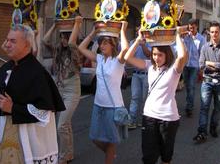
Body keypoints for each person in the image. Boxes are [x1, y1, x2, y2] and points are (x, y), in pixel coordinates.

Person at [0, 24, 65, 164]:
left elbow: (45, 113)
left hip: (26, 144)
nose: (7, 44)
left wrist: (13, 108)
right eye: (7, 40)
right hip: (0, 141)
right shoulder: (5, 67)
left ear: (27, 45)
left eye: (13, 41)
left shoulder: (37, 73)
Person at [124, 26, 188, 164]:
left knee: (166, 157)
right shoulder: (149, 66)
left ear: (167, 55)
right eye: (154, 54)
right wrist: (138, 40)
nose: (156, 58)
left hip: (168, 119)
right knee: (148, 157)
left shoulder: (174, 70)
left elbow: (182, 56)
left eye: (160, 55)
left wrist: (177, 35)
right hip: (149, 117)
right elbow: (127, 57)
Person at [77, 21, 129, 164]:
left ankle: (109, 157)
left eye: (105, 43)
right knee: (94, 138)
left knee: (111, 140)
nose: (101, 46)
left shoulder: (118, 61)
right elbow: (81, 48)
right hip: (98, 105)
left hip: (113, 107)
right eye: (101, 43)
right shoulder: (99, 59)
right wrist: (94, 33)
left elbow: (125, 49)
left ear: (113, 44)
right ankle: (110, 154)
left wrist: (123, 30)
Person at [43, 16, 83, 164]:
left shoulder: (74, 51)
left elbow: (72, 43)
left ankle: (63, 157)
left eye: (65, 37)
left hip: (72, 89)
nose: (63, 40)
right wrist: (54, 26)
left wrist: (77, 24)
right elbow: (44, 41)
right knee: (66, 125)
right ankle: (69, 153)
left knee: (62, 125)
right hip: (60, 88)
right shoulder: (57, 50)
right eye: (61, 37)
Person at [193, 21, 220, 143]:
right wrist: (214, 66)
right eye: (212, 32)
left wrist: (210, 63)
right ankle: (202, 132)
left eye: (217, 32)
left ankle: (213, 127)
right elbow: (201, 65)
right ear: (209, 33)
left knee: (218, 108)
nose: (214, 34)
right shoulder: (204, 48)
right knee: (204, 107)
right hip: (207, 82)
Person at [128, 28, 151, 129]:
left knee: (145, 99)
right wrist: (137, 42)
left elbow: (149, 55)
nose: (141, 34)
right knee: (134, 97)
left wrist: (143, 44)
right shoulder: (133, 42)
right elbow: (128, 56)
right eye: (139, 31)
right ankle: (132, 121)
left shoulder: (150, 42)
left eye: (142, 32)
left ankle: (145, 121)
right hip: (136, 74)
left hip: (147, 74)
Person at [182, 19, 205, 117]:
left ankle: (189, 107)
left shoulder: (201, 38)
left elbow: (202, 54)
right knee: (187, 86)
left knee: (191, 86)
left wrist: (201, 69)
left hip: (194, 66)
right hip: (185, 65)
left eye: (193, 27)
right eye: (190, 27)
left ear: (197, 27)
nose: (191, 29)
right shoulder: (185, 37)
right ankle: (189, 102)